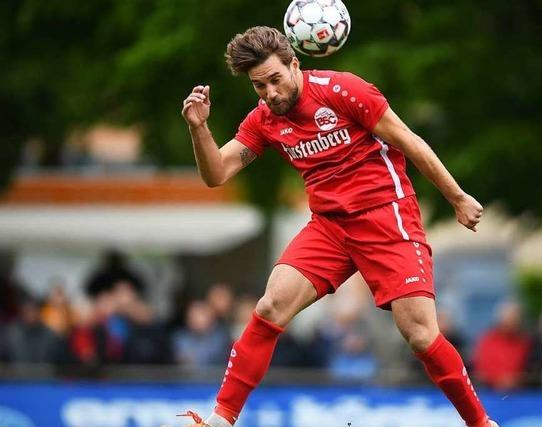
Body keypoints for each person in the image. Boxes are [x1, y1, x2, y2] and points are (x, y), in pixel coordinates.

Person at [180, 26, 497, 427]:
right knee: (270, 305)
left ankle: (481, 423)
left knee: (419, 332)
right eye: (260, 86)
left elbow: (409, 141)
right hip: (329, 226)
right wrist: (198, 127)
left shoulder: (344, 91)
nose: (270, 93)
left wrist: (457, 197)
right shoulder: (263, 119)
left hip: (386, 215)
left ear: (295, 65)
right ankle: (220, 419)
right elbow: (217, 174)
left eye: (276, 80)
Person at [473, 301, 531, 390]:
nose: (510, 323)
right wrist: (497, 380)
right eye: (508, 318)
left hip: (518, 392)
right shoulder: (487, 340)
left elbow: (528, 369)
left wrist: (515, 379)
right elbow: (481, 368)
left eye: (513, 319)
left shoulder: (525, 343)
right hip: (489, 391)